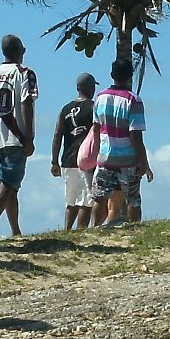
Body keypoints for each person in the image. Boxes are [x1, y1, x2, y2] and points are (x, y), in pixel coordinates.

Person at [0, 34, 38, 241]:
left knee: (10, 184)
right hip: (16, 136)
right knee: (9, 183)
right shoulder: (25, 73)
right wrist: (28, 137)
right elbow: (26, 102)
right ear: (20, 51)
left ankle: (15, 230)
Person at [90, 59, 152, 225]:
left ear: (112, 75)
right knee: (133, 200)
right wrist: (143, 161)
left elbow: (96, 128)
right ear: (131, 76)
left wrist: (97, 153)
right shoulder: (133, 100)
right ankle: (135, 229)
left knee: (99, 198)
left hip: (105, 157)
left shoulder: (100, 97)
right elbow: (135, 135)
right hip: (127, 158)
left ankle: (95, 229)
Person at [49, 72, 97, 231]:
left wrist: (54, 161)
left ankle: (67, 229)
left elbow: (57, 134)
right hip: (86, 159)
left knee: (71, 201)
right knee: (86, 201)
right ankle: (81, 231)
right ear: (91, 88)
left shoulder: (65, 109)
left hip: (67, 159)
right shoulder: (94, 107)